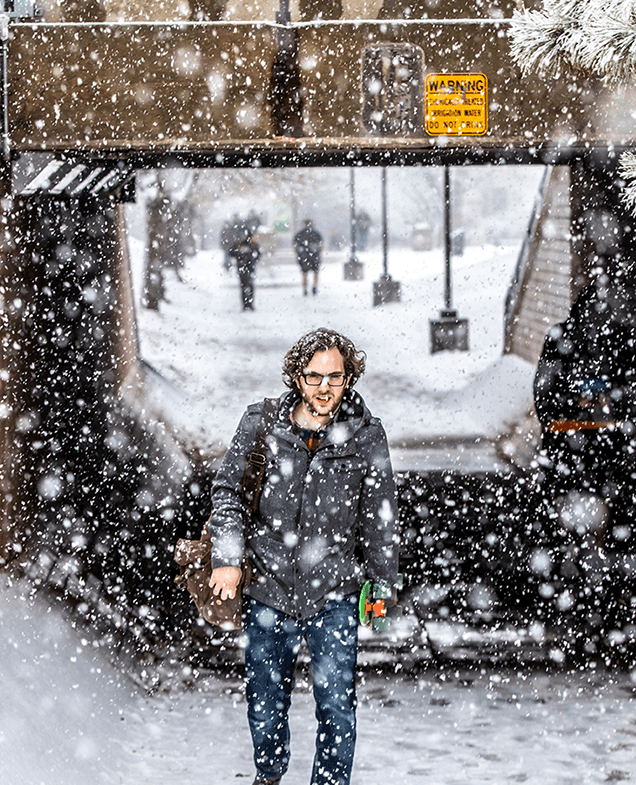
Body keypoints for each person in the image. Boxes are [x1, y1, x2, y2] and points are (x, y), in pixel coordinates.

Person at [207, 328, 400, 785]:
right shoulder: (260, 424)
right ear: (297, 376)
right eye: (314, 377)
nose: (325, 388)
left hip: (335, 591)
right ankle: (269, 773)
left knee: (337, 706)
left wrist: (382, 584)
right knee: (265, 702)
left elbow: (380, 517)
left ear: (349, 377)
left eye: (336, 376)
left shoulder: (366, 436)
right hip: (269, 588)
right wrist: (228, 557)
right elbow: (228, 493)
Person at [230, 220, 261, 310]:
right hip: (244, 266)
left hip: (247, 266)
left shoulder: (251, 244)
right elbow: (232, 252)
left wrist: (252, 259)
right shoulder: (240, 244)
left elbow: (257, 254)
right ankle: (246, 304)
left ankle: (248, 304)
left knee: (248, 285)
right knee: (245, 285)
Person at [293, 218, 324, 296]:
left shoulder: (300, 234)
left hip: (303, 256)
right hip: (314, 255)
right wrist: (318, 251)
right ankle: (314, 286)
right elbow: (321, 244)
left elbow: (294, 245)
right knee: (316, 272)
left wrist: (298, 252)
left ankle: (305, 289)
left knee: (304, 273)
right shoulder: (316, 233)